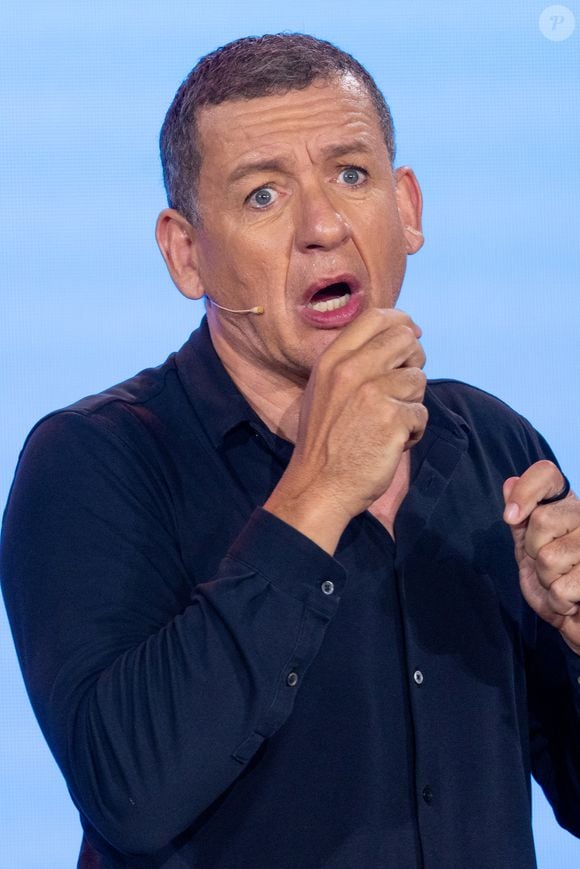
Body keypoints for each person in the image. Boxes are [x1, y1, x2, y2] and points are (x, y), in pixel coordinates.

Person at [1, 32, 579, 869]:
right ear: (186, 251)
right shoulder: (91, 462)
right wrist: (318, 488)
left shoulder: (493, 447)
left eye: (351, 175)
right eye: (264, 195)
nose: (323, 226)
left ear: (407, 207)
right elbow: (130, 792)